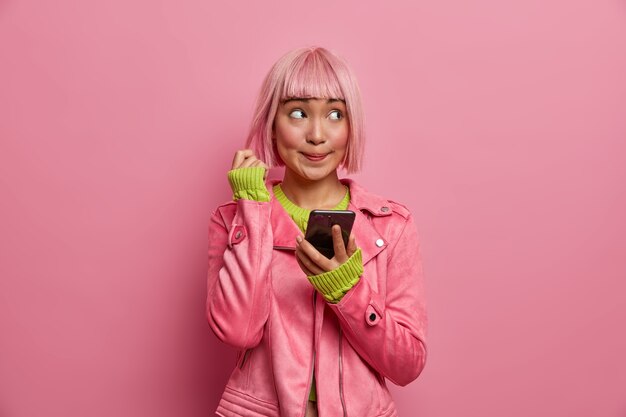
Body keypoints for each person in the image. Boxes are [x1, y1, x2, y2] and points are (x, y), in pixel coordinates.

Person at [206, 46, 428, 417]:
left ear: (351, 125)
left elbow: (407, 364)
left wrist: (348, 291)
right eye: (297, 113)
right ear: (271, 124)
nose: (317, 134)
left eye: (335, 114)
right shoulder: (234, 219)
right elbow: (237, 331)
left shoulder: (392, 226)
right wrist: (254, 211)